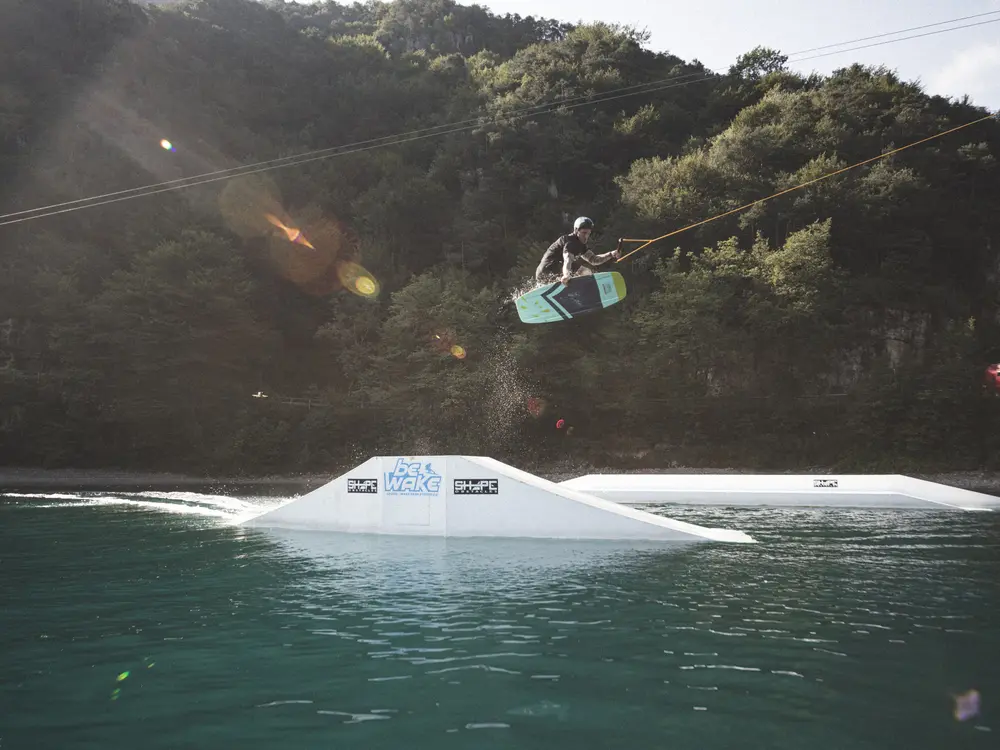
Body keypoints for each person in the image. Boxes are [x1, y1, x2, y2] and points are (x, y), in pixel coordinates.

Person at [535, 217, 621, 285]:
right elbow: (567, 259)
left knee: (587, 272)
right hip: (548, 269)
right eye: (584, 233)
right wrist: (566, 275)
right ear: (576, 230)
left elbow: (594, 260)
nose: (586, 236)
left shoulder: (581, 245)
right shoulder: (570, 242)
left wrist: (610, 254)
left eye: (588, 233)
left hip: (552, 269)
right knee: (584, 271)